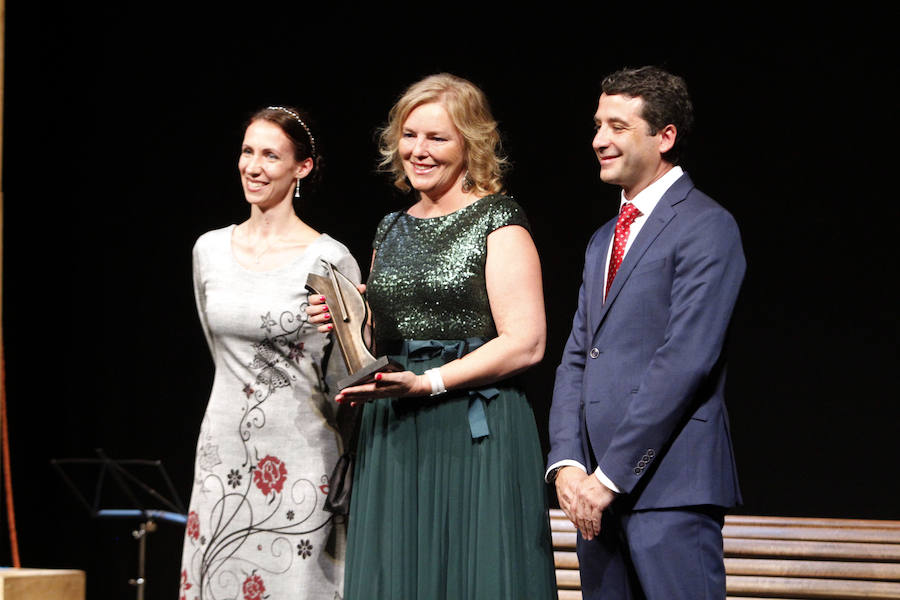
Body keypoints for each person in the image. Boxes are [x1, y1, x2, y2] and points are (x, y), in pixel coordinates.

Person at [310, 73, 557, 599]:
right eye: (409, 135)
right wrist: (349, 313)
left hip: (476, 431)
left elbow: (526, 341)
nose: (418, 151)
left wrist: (431, 383)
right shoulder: (391, 227)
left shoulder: (498, 220)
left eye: (437, 138)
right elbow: (381, 340)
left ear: (469, 142)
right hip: (397, 427)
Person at [546, 66, 746, 599]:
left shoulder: (707, 226)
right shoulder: (602, 239)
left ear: (665, 136)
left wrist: (609, 477)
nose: (598, 140)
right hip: (592, 498)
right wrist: (567, 464)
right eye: (596, 125)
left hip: (668, 489)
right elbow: (577, 358)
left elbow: (686, 360)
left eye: (617, 126)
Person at [180, 106, 361, 600]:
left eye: (270, 155)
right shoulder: (209, 251)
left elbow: (348, 376)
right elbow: (218, 352)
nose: (253, 166)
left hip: (300, 459)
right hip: (222, 454)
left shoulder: (328, 256)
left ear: (301, 167)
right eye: (247, 151)